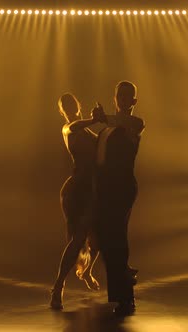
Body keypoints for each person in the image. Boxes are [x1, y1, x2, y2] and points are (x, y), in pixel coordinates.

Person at [93, 81, 145, 316]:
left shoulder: (134, 124)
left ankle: (126, 296)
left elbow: (123, 122)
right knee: (107, 241)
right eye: (119, 96)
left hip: (122, 189)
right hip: (107, 190)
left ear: (133, 101)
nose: (122, 100)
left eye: (127, 97)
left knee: (117, 240)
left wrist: (104, 118)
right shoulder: (107, 128)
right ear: (115, 99)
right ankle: (123, 285)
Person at [49, 93, 104, 310]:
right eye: (65, 106)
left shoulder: (87, 130)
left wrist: (105, 120)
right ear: (63, 111)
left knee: (97, 239)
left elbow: (103, 142)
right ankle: (58, 286)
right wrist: (94, 119)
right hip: (77, 191)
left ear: (78, 105)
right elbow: (74, 128)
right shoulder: (68, 129)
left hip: (92, 190)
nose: (69, 107)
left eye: (72, 103)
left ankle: (87, 271)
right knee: (78, 238)